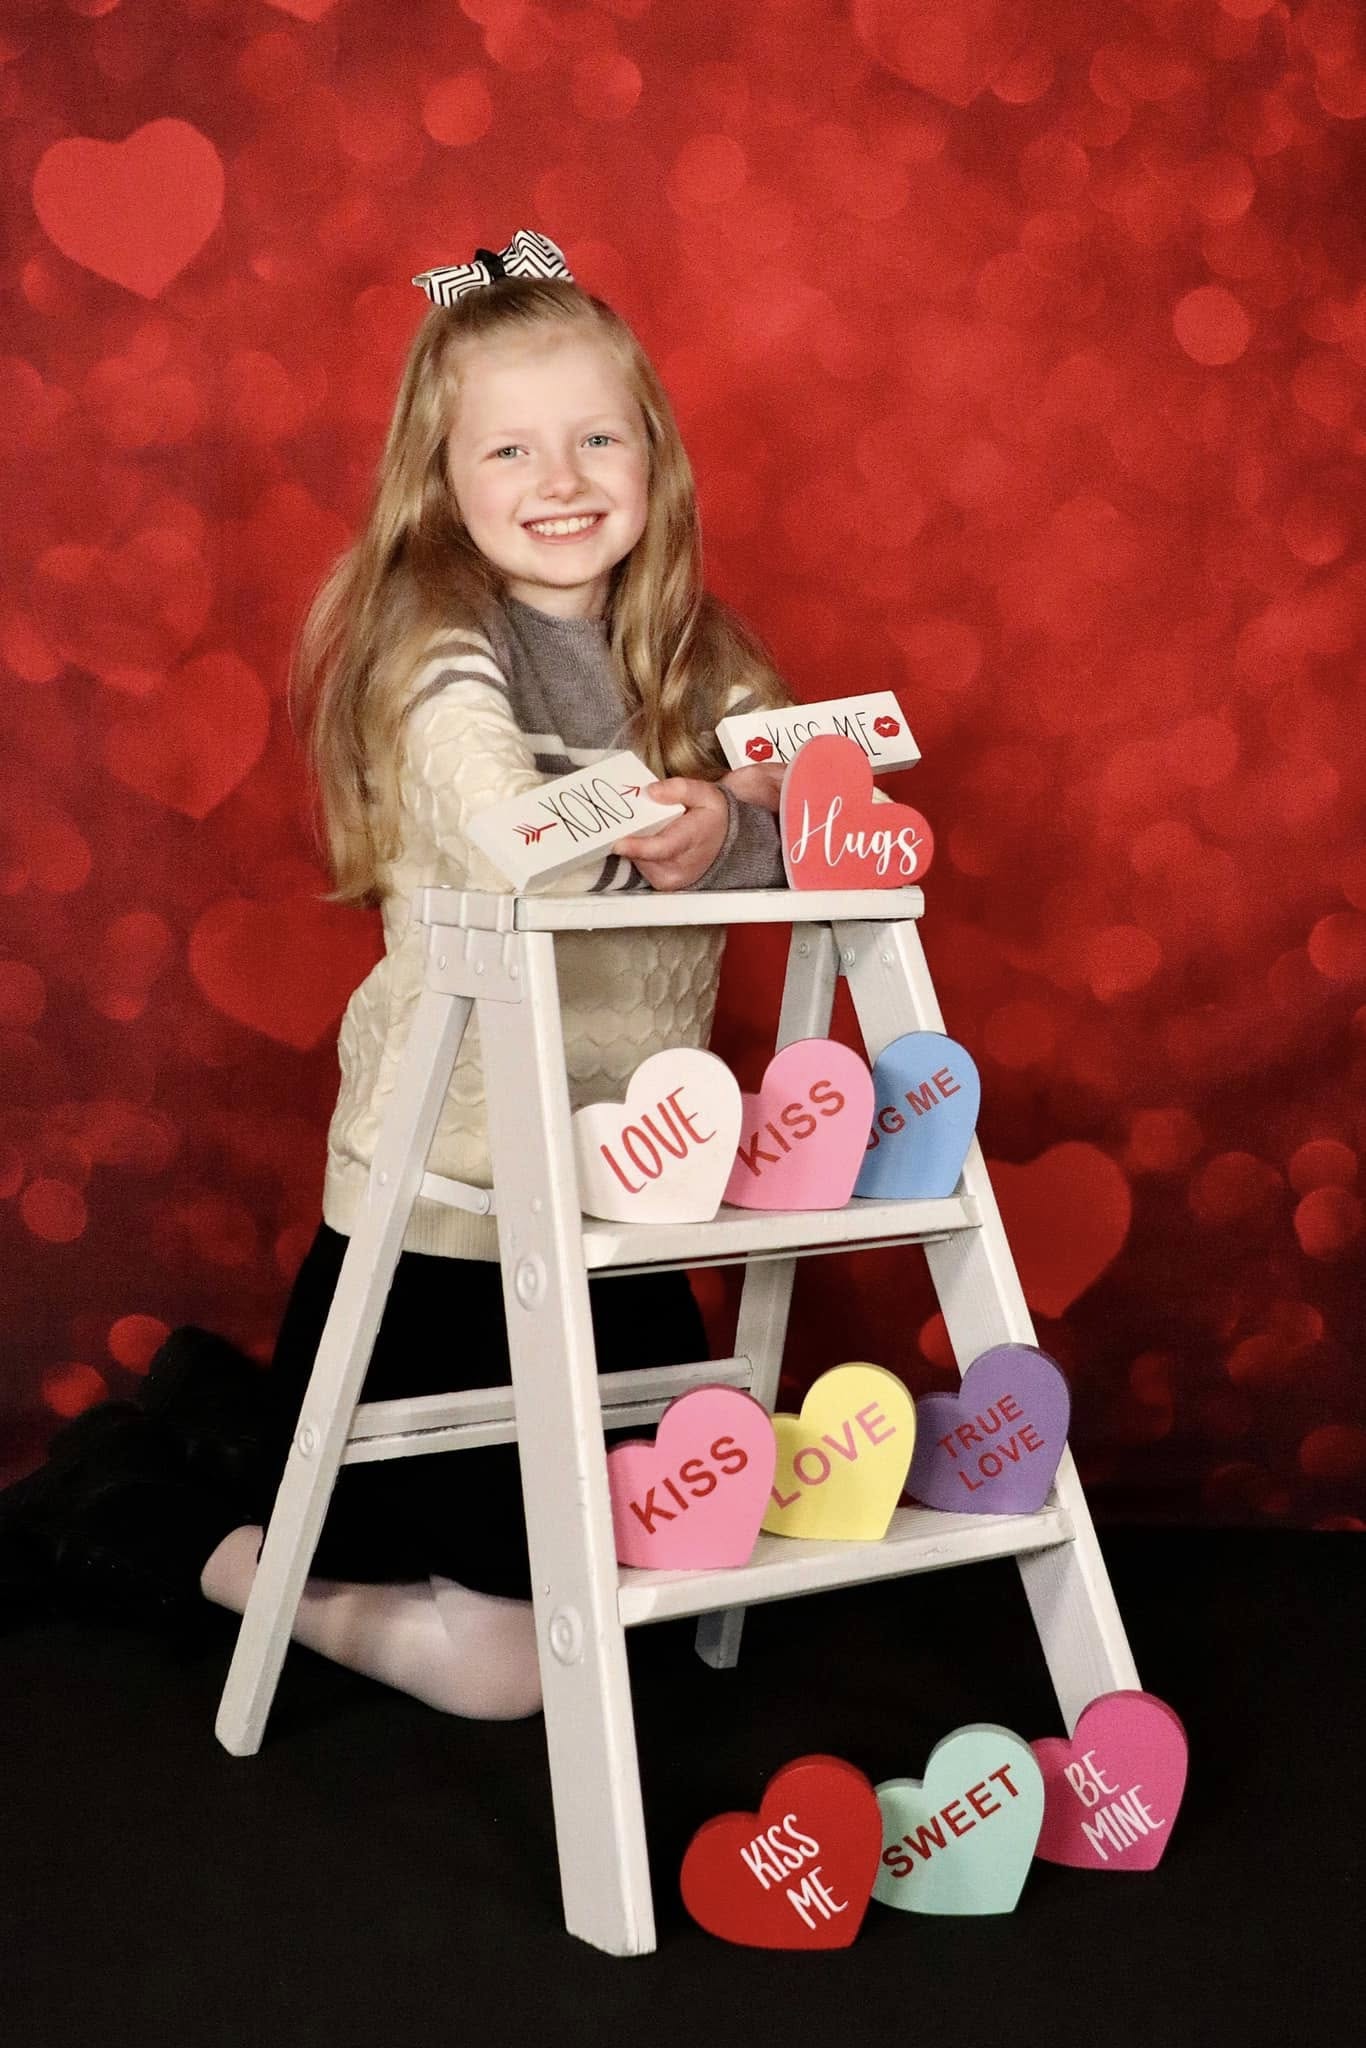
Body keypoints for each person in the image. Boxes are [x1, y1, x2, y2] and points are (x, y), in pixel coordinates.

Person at [3, 233, 792, 1720]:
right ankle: (167, 1533)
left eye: (596, 437)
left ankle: (218, 1422)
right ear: (443, 480)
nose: (560, 477)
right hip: (459, 1215)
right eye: (509, 446)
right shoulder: (436, 647)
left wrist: (742, 819)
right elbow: (526, 843)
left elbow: (825, 803)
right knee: (508, 1675)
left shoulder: (699, 653)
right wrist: (694, 836)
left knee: (657, 1561)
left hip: (628, 1199)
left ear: (654, 458)